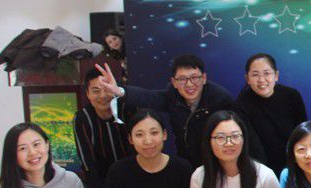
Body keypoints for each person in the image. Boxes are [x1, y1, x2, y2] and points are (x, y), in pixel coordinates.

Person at [96, 54, 233, 168]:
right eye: (182, 79)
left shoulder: (220, 99)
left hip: (216, 163)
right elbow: (148, 97)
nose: (189, 84)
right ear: (174, 82)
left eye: (194, 77)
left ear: (204, 78)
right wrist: (119, 91)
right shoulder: (172, 96)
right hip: (187, 163)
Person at [233, 53, 308, 174]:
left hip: (295, 163)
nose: (261, 80)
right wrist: (267, 176)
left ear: (276, 75)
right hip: (262, 169)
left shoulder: (292, 95)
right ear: (247, 79)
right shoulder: (241, 105)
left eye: (267, 73)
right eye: (255, 75)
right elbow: (254, 148)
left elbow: (303, 134)